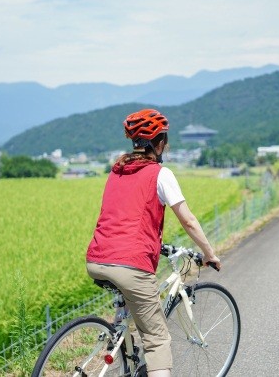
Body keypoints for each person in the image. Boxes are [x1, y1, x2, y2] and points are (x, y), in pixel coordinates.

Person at [86, 108, 221, 377]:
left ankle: (125, 361)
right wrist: (210, 254)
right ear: (159, 144)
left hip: (97, 259)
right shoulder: (160, 174)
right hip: (130, 264)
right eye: (165, 141)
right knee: (157, 340)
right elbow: (189, 221)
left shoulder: (116, 171)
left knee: (129, 320)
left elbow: (125, 218)